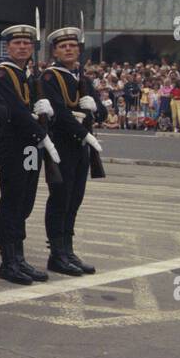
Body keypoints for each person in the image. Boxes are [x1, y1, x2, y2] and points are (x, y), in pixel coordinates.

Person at [0, 24, 53, 285]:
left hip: (30, 146)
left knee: (26, 199)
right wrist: (42, 133)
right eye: (17, 43)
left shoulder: (27, 75)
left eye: (27, 43)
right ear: (8, 47)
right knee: (13, 200)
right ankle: (9, 260)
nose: (22, 47)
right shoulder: (3, 73)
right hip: (14, 144)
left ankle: (19, 256)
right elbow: (15, 110)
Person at [40, 26, 101, 276]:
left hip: (81, 148)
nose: (68, 49)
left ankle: (68, 249)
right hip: (61, 145)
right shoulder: (50, 77)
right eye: (63, 46)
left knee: (75, 199)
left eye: (72, 46)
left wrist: (95, 106)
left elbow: (104, 113)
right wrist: (84, 132)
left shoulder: (83, 79)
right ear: (55, 50)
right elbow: (60, 113)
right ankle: (57, 253)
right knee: (60, 199)